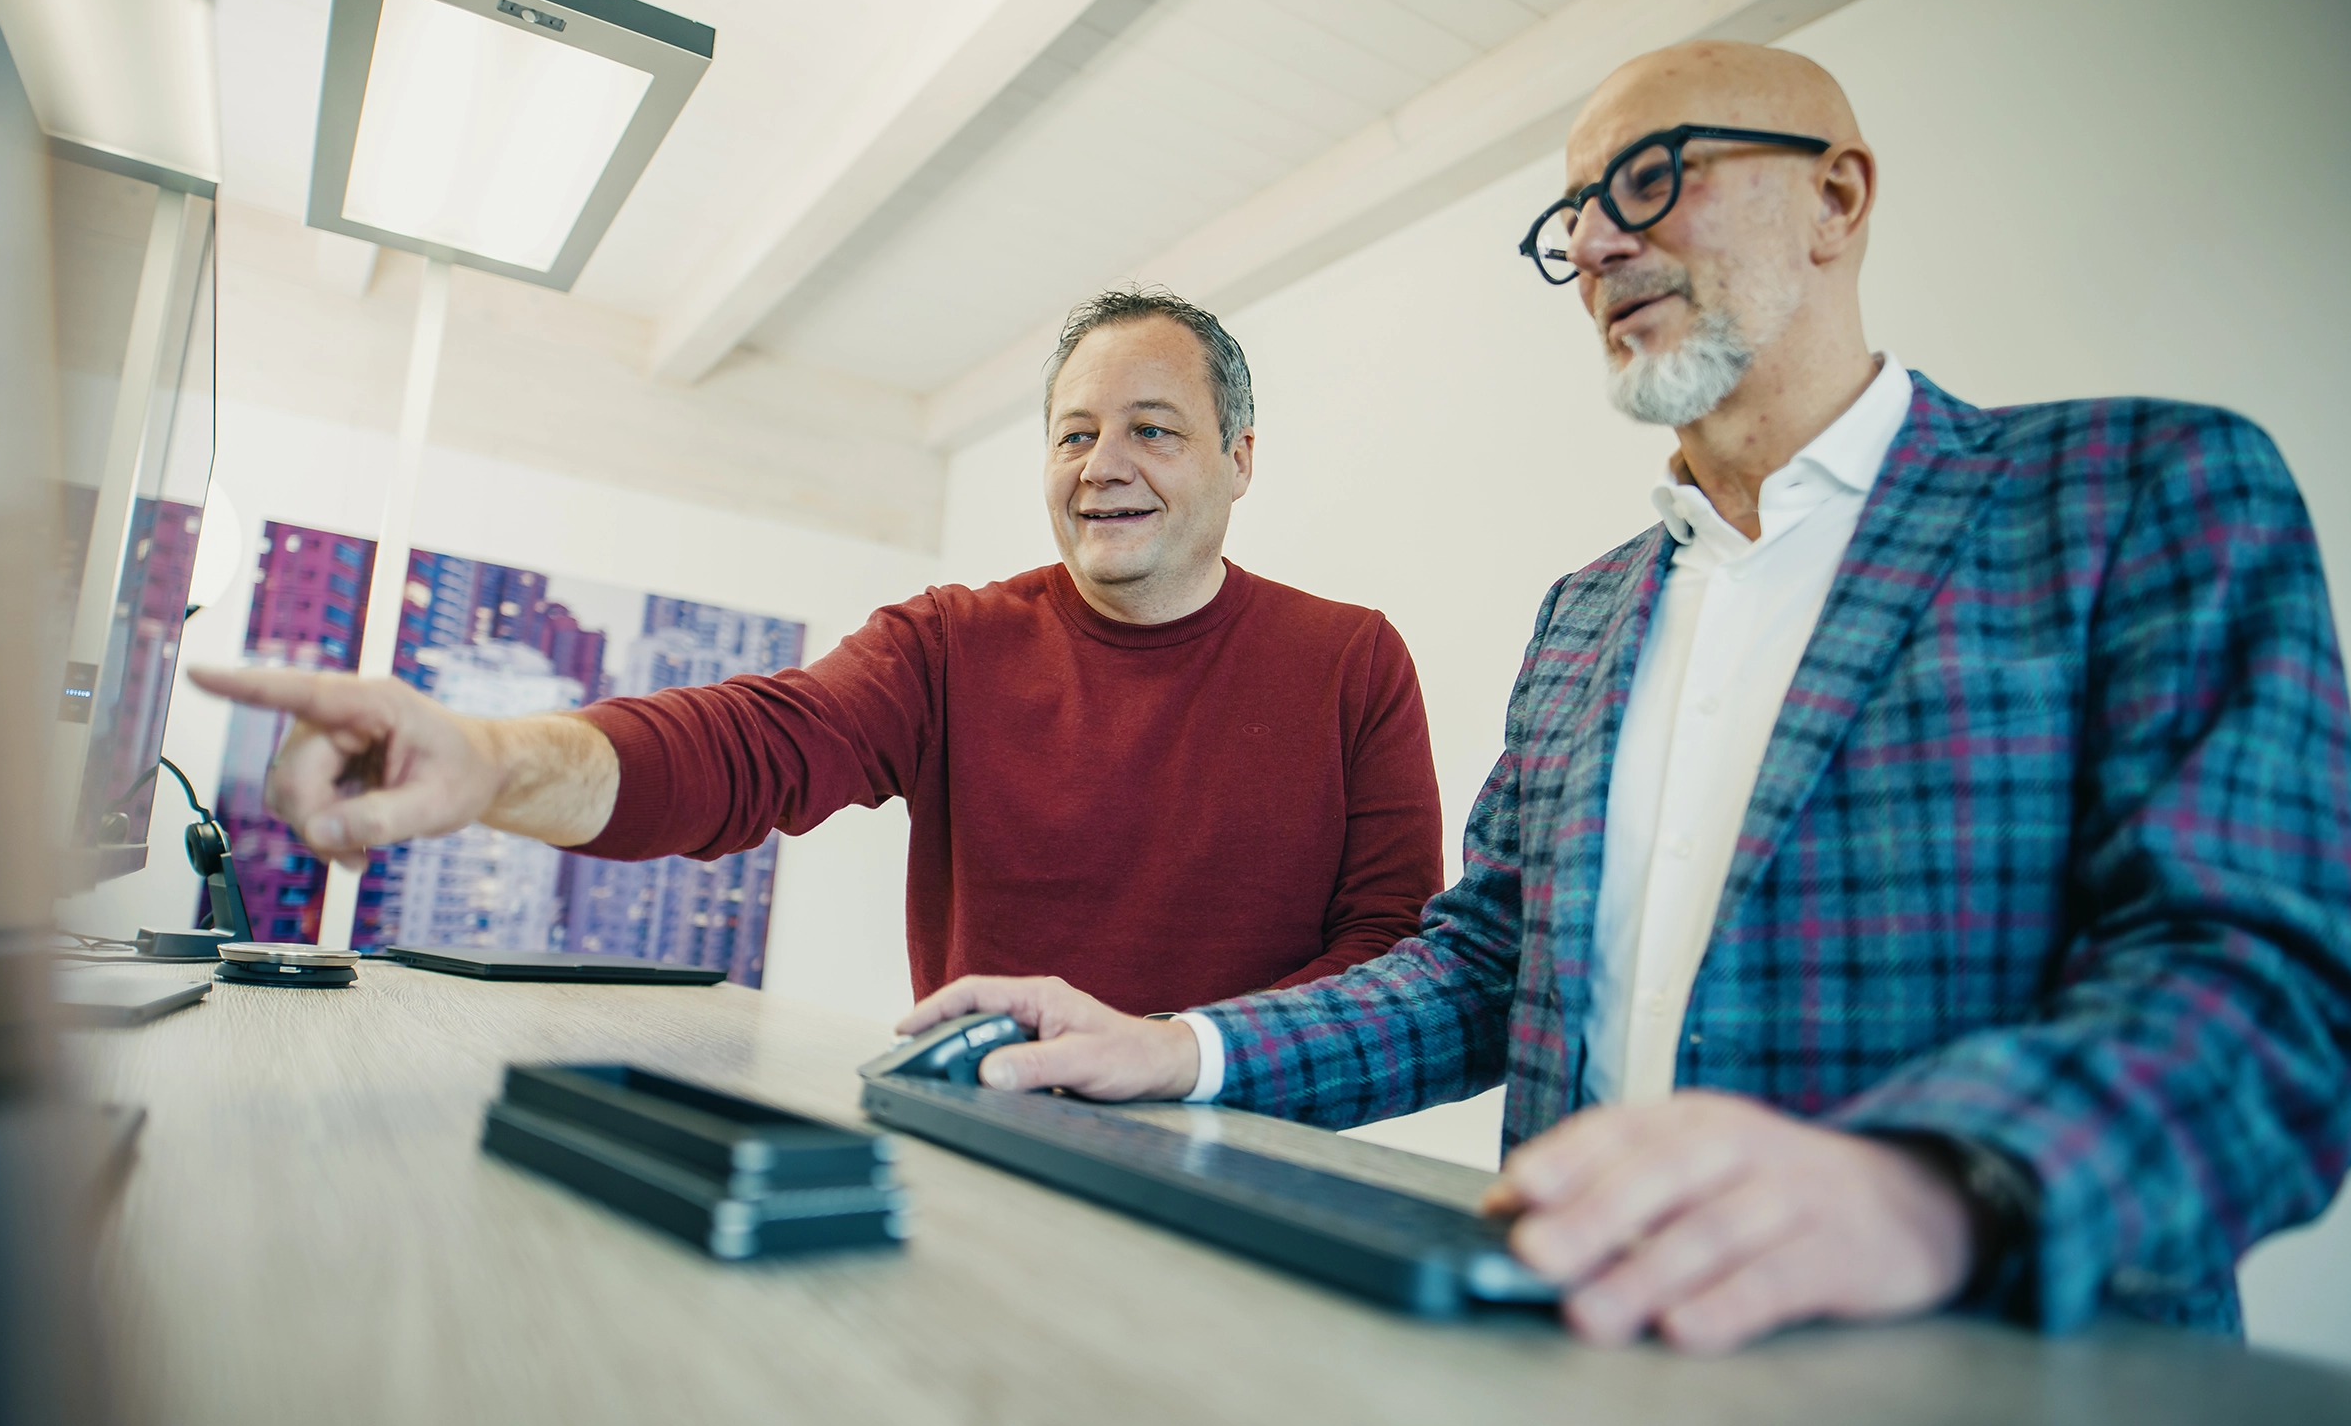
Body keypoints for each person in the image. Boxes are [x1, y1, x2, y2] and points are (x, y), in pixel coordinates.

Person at [898, 42, 2351, 1353]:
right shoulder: (1589, 613)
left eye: (1654, 178)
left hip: (2014, 1424)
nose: (1600, 241)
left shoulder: (2140, 494)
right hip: (1586, 1390)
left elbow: (2272, 986)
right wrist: (1180, 1046)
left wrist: (1928, 1187)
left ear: (1840, 198)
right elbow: (1484, 969)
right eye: (1573, 219)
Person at [192, 289, 1443, 1015]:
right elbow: (743, 748)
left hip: (1248, 1176)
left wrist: (1179, 1058)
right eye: (1071, 434)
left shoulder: (1352, 662)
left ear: (1240, 455)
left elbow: (1391, 954)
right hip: (982, 1144)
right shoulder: (954, 643)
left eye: (1152, 429)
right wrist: (491, 761)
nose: (1100, 464)